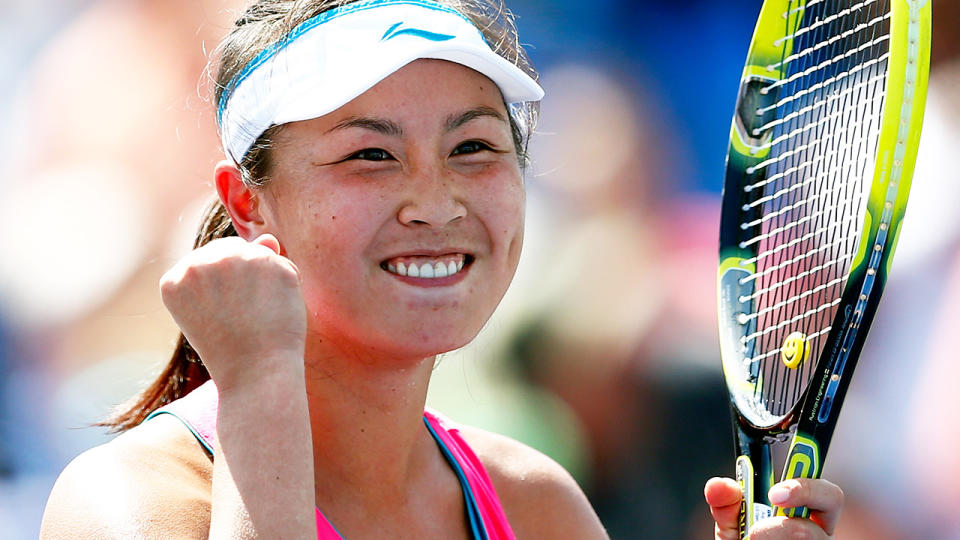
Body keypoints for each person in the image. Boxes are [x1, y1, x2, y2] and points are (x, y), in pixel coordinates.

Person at [38, 0, 843, 538]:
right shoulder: (129, 501)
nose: (435, 202)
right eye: (370, 155)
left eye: (473, 149)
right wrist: (258, 388)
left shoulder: (536, 503)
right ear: (248, 205)